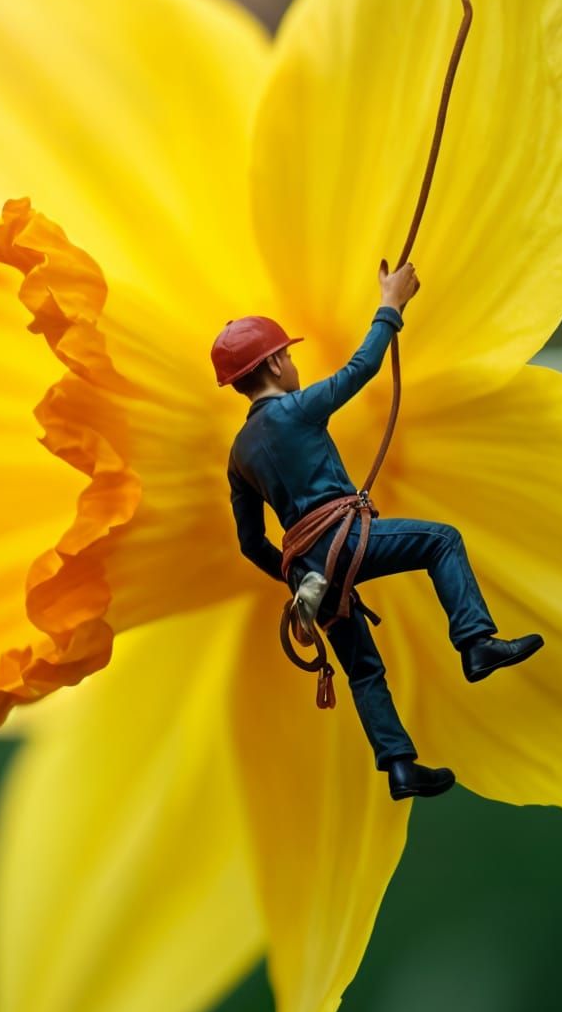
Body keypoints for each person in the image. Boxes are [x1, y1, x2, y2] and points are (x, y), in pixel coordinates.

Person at [216, 262, 543, 801]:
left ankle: (398, 765)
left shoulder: (239, 455)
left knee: (362, 668)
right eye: (289, 356)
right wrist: (392, 303)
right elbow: (362, 368)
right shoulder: (296, 411)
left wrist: (297, 578)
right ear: (274, 363)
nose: (294, 364)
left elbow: (250, 542)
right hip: (346, 542)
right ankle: (476, 644)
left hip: (307, 571)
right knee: (441, 541)